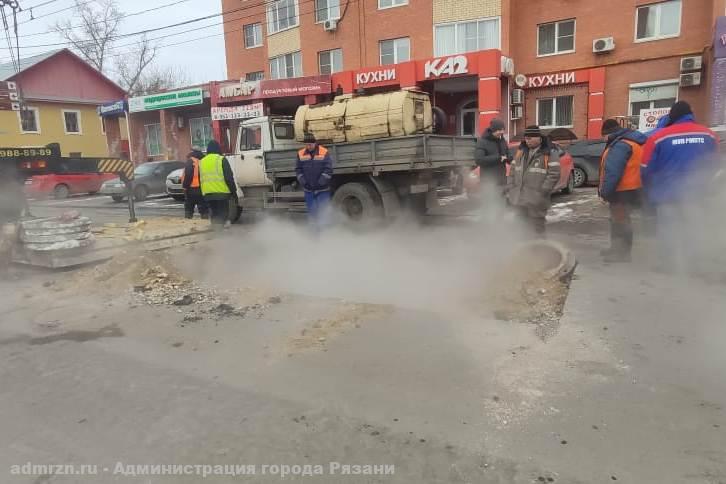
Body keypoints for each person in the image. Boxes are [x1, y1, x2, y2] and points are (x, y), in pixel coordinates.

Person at [641, 101, 719, 271]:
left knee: (668, 230)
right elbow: (714, 164)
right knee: (694, 227)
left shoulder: (657, 137)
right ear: (690, 114)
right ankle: (695, 265)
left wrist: (650, 188)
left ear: (672, 117)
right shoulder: (709, 134)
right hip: (696, 195)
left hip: (666, 195)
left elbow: (646, 168)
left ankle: (669, 265)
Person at [598, 119, 648, 263]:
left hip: (622, 190)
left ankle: (621, 254)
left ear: (608, 133)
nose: (603, 139)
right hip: (631, 188)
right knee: (619, 220)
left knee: (620, 222)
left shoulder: (620, 145)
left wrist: (605, 193)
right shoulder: (630, 141)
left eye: (603, 136)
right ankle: (616, 249)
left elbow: (613, 172)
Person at [506, 125, 560, 236]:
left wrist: (543, 191)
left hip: (537, 200)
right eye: (526, 138)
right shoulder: (520, 152)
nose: (527, 141)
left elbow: (554, 174)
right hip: (520, 199)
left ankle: (540, 252)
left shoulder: (549, 153)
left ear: (539, 138)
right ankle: (525, 252)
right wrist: (511, 187)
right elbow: (512, 171)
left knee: (537, 230)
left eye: (530, 138)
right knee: (521, 229)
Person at [296, 133, 333, 228]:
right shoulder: (300, 153)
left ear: (315, 143)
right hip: (308, 190)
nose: (308, 147)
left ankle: (326, 235)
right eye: (306, 145)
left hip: (323, 190)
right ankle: (314, 236)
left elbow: (328, 169)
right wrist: (304, 182)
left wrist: (321, 182)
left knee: (324, 212)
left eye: (310, 144)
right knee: (313, 213)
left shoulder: (324, 152)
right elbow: (298, 170)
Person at [199, 140, 238, 229]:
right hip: (222, 194)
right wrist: (234, 192)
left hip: (208, 194)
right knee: (223, 215)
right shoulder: (221, 159)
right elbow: (229, 178)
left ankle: (216, 233)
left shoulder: (202, 161)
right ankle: (223, 236)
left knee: (214, 214)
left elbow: (200, 179)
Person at [474, 118, 510, 187]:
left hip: (502, 181)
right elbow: (479, 160)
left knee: (502, 197)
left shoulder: (502, 141)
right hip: (489, 182)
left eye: (503, 130)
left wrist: (509, 158)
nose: (502, 132)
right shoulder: (482, 142)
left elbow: (508, 153)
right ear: (493, 130)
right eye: (499, 130)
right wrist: (498, 158)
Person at [182, 149, 209, 220]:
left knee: (189, 208)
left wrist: (185, 187)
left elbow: (188, 174)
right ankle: (205, 223)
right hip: (202, 189)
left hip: (191, 189)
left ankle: (188, 223)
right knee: (203, 208)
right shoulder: (204, 161)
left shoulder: (191, 161)